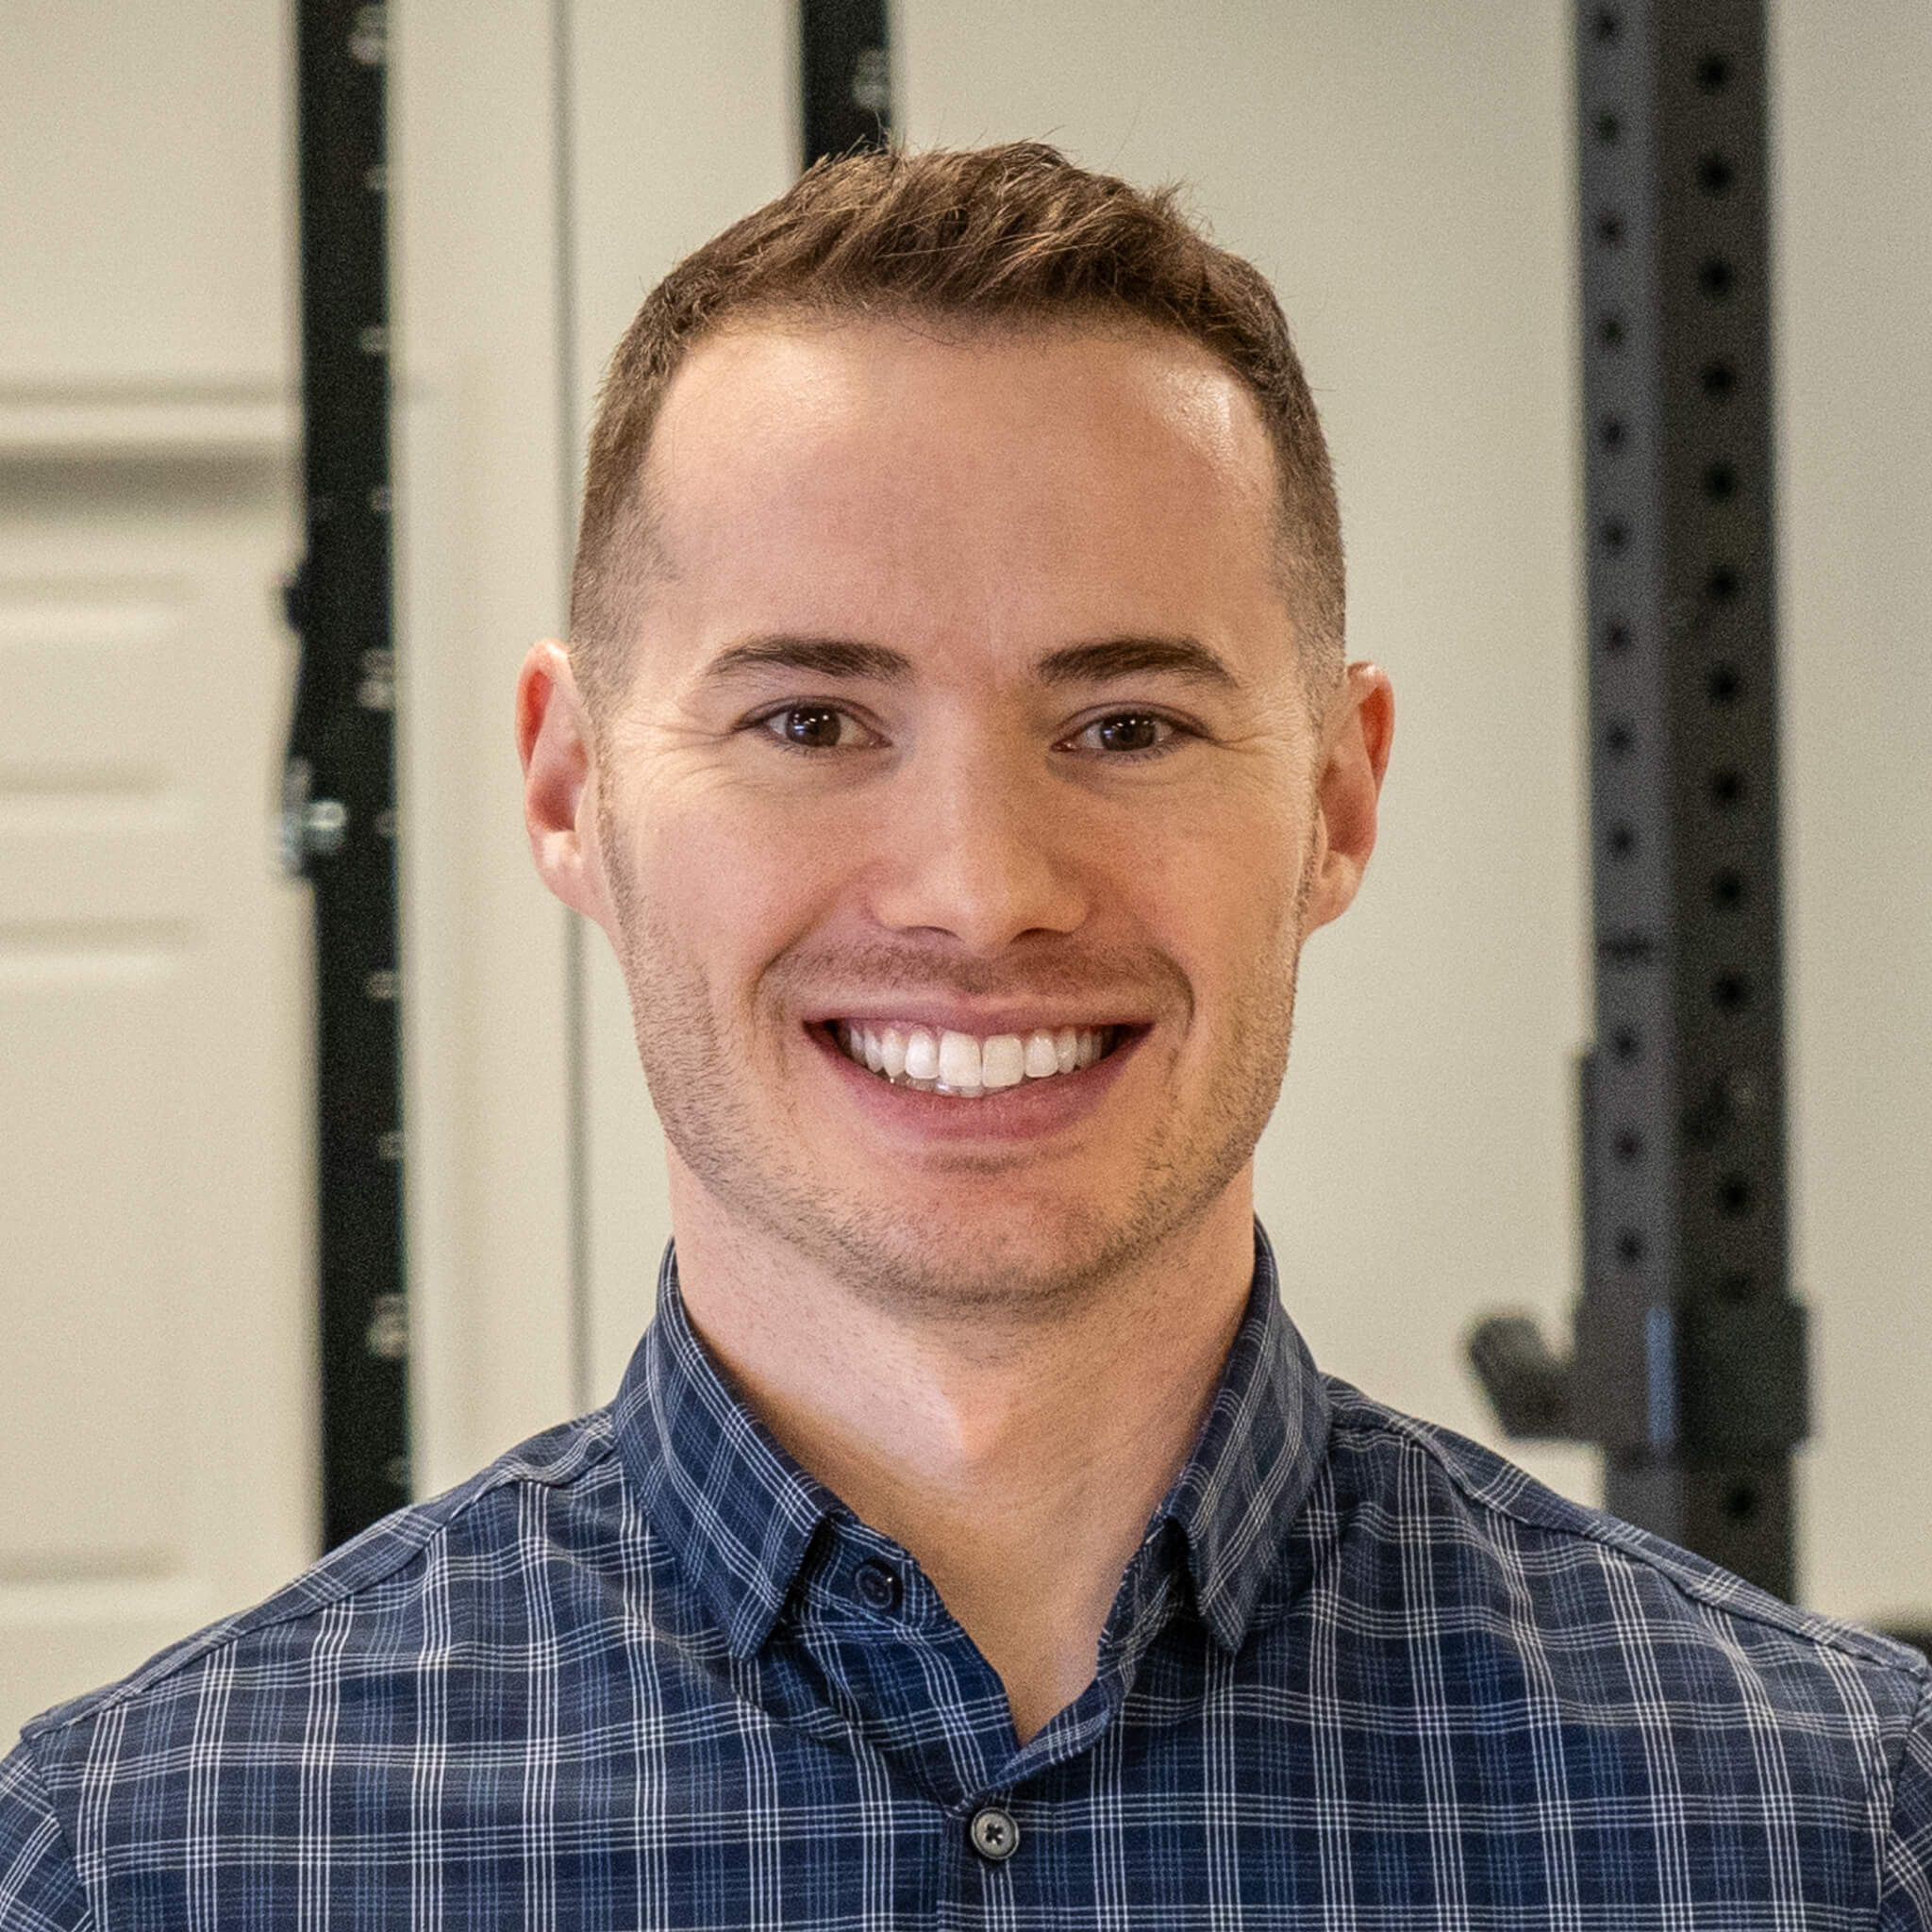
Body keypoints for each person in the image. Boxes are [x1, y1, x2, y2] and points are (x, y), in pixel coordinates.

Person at [3, 141, 1926, 1929]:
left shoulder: (1808, 1831)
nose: (978, 886)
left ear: (1340, 799)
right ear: (569, 787)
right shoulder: (166, 1857)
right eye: (812, 722)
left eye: (1125, 727)